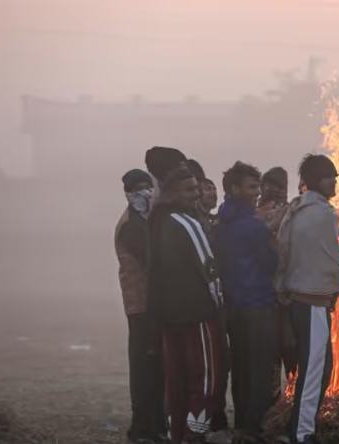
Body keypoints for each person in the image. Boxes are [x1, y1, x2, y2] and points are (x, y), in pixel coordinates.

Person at [147, 165, 225, 444]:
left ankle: (177, 434)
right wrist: (218, 311)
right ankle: (195, 435)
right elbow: (210, 270)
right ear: (172, 194)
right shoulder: (187, 223)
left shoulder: (156, 222)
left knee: (176, 381)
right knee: (205, 380)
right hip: (198, 316)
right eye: (190, 190)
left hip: (168, 317)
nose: (196, 195)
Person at [275, 154, 339, 444]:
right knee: (315, 368)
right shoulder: (323, 213)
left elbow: (283, 251)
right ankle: (302, 433)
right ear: (318, 180)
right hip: (313, 300)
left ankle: (300, 426)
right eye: (330, 177)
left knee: (315, 365)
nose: (334, 182)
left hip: (298, 297)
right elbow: (331, 261)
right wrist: (335, 290)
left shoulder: (296, 209)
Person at [214, 162, 279, 442]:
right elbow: (270, 263)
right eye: (252, 187)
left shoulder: (220, 222)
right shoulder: (253, 227)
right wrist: (273, 235)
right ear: (234, 188)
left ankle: (242, 423)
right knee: (260, 369)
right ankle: (255, 427)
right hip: (258, 303)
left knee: (241, 366)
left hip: (234, 305)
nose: (257, 192)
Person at [114, 169, 166, 443]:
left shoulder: (143, 220)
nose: (145, 192)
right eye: (139, 189)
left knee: (155, 367)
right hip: (141, 308)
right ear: (129, 194)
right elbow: (151, 259)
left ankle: (154, 424)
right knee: (145, 368)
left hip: (149, 306)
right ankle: (142, 426)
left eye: (148, 186)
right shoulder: (132, 226)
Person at [258, 167, 298, 380]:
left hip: (290, 295)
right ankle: (272, 405)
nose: (275, 190)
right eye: (271, 184)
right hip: (265, 296)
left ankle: (293, 404)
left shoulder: (293, 213)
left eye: (280, 186)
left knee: (292, 350)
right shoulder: (253, 215)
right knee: (270, 354)